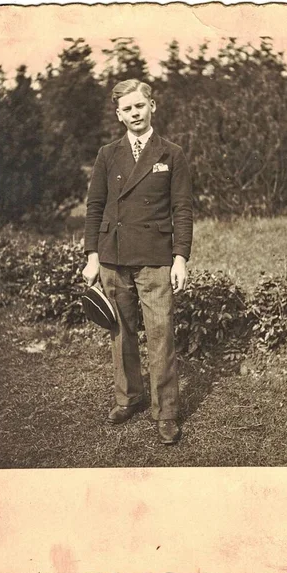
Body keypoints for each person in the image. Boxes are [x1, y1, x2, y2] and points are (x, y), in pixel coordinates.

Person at [82, 79, 193, 444]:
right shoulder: (107, 154)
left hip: (155, 257)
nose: (135, 114)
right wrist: (92, 256)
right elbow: (95, 206)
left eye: (140, 106)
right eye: (127, 109)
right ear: (118, 115)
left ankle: (167, 412)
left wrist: (180, 258)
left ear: (153, 106)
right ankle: (129, 397)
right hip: (113, 255)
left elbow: (182, 208)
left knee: (161, 335)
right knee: (121, 332)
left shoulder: (171, 153)